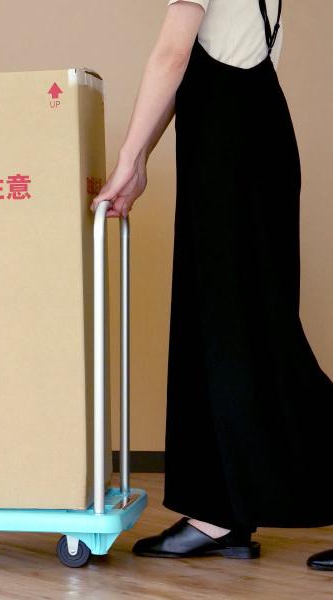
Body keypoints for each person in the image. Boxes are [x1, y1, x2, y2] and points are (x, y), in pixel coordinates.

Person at [91, 0, 333, 568]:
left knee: (254, 337)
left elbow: (173, 54)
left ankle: (221, 510)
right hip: (242, 137)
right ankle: (218, 512)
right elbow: (199, 62)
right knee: (220, 334)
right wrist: (141, 160)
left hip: (233, 148)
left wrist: (128, 157)